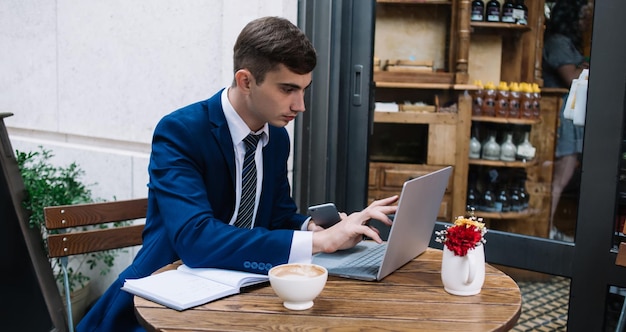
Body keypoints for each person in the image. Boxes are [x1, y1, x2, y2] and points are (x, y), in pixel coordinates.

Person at [77, 16, 398, 331]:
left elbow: (277, 215)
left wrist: (323, 227)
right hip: (163, 297)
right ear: (246, 81)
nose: (300, 105)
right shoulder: (181, 132)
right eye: (288, 89)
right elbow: (195, 239)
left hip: (245, 290)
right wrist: (319, 241)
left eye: (304, 89)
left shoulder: (276, 137)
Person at [542, 0, 593, 241]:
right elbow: (570, 77)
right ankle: (546, 229)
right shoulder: (558, 41)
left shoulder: (566, 42)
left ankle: (549, 228)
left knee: (563, 174)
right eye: (582, 17)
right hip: (560, 115)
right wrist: (584, 69)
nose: (585, 22)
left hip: (567, 115)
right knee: (560, 175)